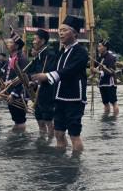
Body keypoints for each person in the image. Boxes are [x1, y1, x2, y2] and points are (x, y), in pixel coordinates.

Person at [32, 16, 88, 153]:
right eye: (59, 30)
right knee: (58, 133)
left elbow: (68, 71)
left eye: (64, 30)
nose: (60, 33)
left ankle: (76, 164)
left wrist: (47, 76)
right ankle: (60, 163)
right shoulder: (62, 52)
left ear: (74, 33)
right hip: (59, 98)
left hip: (74, 99)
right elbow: (53, 68)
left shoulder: (81, 52)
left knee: (74, 135)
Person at [27, 29, 57, 138]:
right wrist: (33, 82)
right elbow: (31, 71)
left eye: (35, 39)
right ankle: (42, 142)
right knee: (39, 120)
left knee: (49, 121)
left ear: (42, 41)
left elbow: (49, 74)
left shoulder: (50, 55)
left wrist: (38, 79)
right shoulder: (38, 56)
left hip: (48, 93)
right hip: (37, 94)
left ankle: (50, 144)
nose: (33, 42)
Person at [5, 29, 29, 131]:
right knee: (16, 119)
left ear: (17, 46)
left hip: (19, 94)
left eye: (11, 42)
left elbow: (23, 78)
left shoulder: (22, 59)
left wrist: (14, 93)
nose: (8, 44)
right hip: (10, 91)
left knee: (20, 120)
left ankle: (21, 142)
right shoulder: (12, 57)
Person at [92, 40, 118, 115]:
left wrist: (98, 72)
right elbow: (94, 65)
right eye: (98, 46)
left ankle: (114, 119)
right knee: (105, 102)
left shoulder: (111, 57)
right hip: (102, 82)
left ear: (105, 47)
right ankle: (106, 118)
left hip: (110, 83)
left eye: (100, 46)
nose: (98, 48)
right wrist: (92, 67)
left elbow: (111, 71)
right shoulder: (99, 58)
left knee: (113, 102)